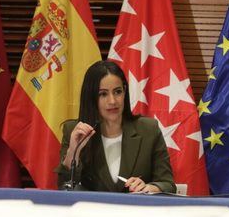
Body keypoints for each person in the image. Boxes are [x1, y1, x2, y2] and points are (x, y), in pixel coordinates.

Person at [55, 61, 175, 194]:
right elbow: (64, 186)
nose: (112, 101)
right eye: (103, 94)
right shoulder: (74, 130)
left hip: (136, 212)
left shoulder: (149, 129)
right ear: (91, 97)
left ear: (125, 92)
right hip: (91, 212)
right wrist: (73, 151)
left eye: (117, 92)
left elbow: (167, 184)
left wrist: (149, 188)